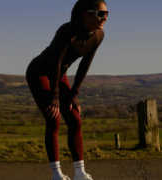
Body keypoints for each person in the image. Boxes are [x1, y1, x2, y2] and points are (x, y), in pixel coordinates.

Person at [25, 0, 108, 180]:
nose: (105, 17)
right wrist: (55, 97)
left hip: (59, 74)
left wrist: (74, 94)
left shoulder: (98, 35)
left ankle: (80, 174)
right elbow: (54, 63)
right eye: (101, 13)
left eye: (107, 13)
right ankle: (57, 175)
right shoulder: (67, 31)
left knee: (75, 119)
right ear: (86, 14)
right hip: (40, 73)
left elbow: (85, 64)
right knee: (54, 119)